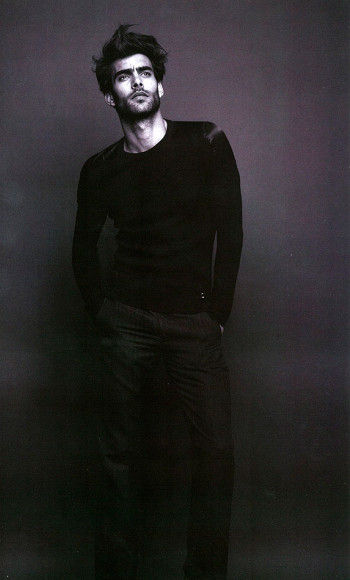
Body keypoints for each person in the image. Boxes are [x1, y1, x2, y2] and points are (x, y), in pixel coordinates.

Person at [72, 24, 243, 579]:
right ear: (110, 95)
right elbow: (82, 248)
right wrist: (104, 314)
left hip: (193, 322)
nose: (138, 82)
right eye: (124, 77)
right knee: (118, 459)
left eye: (145, 72)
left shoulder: (206, 142)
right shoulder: (100, 169)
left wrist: (216, 314)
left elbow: (231, 233)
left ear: (161, 85)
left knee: (215, 454)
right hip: (127, 325)